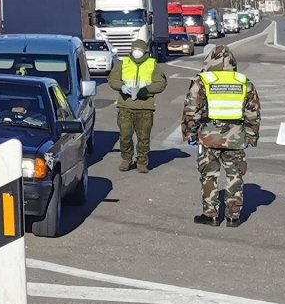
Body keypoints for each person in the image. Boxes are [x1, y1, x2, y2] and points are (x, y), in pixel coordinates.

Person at [180, 50, 261, 227]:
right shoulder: (243, 82)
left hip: (209, 137)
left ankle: (211, 215)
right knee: (235, 176)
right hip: (236, 138)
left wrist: (190, 133)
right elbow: (253, 112)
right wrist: (251, 136)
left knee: (209, 176)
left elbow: (191, 110)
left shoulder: (203, 81)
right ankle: (234, 216)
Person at [110, 35, 168, 172]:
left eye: (139, 49)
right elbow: (112, 80)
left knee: (144, 137)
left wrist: (146, 90)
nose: (137, 51)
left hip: (145, 107)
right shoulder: (122, 64)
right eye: (134, 49)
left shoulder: (152, 64)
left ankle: (142, 162)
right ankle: (126, 159)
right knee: (125, 135)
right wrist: (122, 87)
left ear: (145, 51)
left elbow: (161, 83)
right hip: (126, 106)